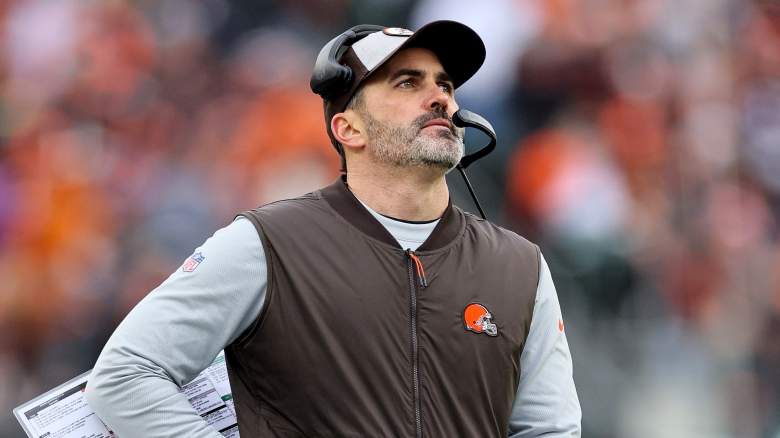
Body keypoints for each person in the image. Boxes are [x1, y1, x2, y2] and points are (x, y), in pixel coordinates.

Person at [85, 20, 581, 437]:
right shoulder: (266, 245)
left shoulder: (520, 265)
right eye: (407, 83)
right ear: (349, 129)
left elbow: (549, 429)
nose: (440, 99)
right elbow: (126, 373)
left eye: (445, 85)